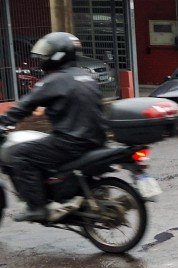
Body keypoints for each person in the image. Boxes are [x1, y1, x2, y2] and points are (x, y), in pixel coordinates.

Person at [0, 32, 106, 222]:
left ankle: (36, 207)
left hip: (71, 142)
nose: (43, 57)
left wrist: (4, 122)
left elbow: (25, 105)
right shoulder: (87, 76)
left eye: (47, 52)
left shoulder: (54, 80)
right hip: (97, 139)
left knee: (20, 154)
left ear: (58, 55)